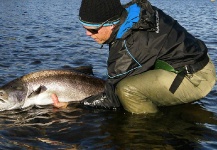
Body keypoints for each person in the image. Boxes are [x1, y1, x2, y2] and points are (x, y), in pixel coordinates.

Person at [53, 0, 216, 114]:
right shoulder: (133, 14)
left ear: (110, 24)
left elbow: (112, 98)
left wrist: (74, 104)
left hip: (195, 77)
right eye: (86, 29)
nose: (88, 34)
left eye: (93, 30)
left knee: (126, 90)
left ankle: (146, 131)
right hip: (195, 61)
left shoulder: (130, 46)